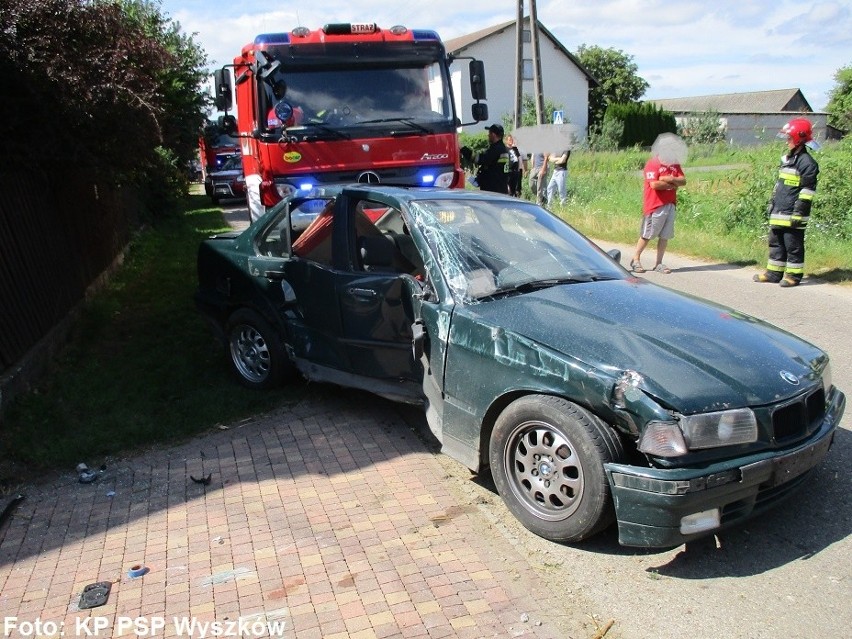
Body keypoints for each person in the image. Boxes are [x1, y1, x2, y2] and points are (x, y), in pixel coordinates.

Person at [753, 118, 820, 288]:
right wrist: (772, 204)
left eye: (789, 138)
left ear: (799, 138)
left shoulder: (808, 163)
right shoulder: (787, 160)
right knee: (775, 243)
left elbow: (807, 191)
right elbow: (780, 186)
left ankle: (793, 276)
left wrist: (799, 212)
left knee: (793, 246)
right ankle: (773, 273)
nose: (787, 141)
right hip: (779, 211)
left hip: (794, 214)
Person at [630, 147, 686, 274]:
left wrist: (669, 179)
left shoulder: (674, 164)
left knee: (665, 235)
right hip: (654, 205)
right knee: (647, 234)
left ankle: (658, 263)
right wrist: (673, 184)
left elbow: (683, 180)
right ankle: (636, 259)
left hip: (670, 204)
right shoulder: (652, 164)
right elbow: (654, 184)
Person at [475, 124, 510, 194]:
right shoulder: (504, 149)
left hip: (493, 190)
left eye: (489, 133)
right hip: (500, 188)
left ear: (493, 135)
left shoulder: (496, 149)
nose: (488, 135)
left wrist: (463, 149)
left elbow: (481, 159)